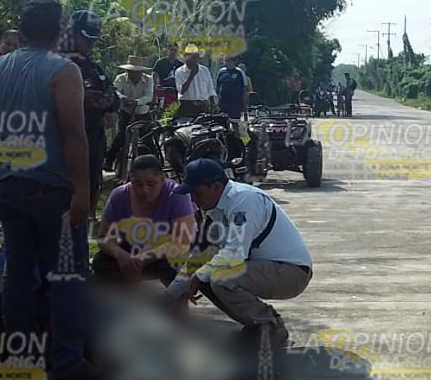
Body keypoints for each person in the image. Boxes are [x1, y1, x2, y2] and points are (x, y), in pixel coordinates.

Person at [0, 0, 101, 380]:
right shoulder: (63, 71)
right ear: (59, 31)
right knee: (66, 274)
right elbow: (74, 135)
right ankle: (66, 360)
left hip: (10, 187)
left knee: (17, 274)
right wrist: (82, 190)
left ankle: (22, 356)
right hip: (51, 189)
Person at [164, 158, 313, 348]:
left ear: (216, 187)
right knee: (206, 275)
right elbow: (199, 258)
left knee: (221, 278)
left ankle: (270, 327)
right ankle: (256, 326)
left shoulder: (244, 200)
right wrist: (170, 296)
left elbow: (235, 254)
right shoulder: (216, 211)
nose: (193, 200)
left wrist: (198, 276)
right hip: (267, 270)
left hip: (292, 272)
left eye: (197, 193)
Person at [92, 154, 197, 290]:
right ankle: (128, 288)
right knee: (100, 263)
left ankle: (175, 295)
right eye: (138, 184)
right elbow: (103, 238)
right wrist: (121, 255)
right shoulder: (118, 196)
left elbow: (183, 241)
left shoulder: (176, 194)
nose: (144, 190)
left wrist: (145, 258)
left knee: (177, 265)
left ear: (163, 179)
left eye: (151, 184)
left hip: (166, 251)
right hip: (132, 249)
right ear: (130, 180)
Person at [58, 10, 119, 226]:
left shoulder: (94, 68)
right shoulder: (59, 64)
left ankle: (88, 217)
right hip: (64, 140)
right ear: (72, 33)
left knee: (92, 179)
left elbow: (113, 94)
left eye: (94, 39)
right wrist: (83, 100)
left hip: (93, 137)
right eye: (86, 38)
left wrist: (110, 108)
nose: (90, 44)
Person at [104, 56, 154, 172]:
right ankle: (108, 161)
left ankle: (154, 163)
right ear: (127, 71)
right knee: (121, 136)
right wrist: (124, 98)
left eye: (137, 72)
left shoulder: (148, 80)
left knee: (147, 138)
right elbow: (115, 91)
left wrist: (136, 102)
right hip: (125, 112)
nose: (134, 74)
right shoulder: (120, 78)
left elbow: (149, 96)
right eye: (132, 71)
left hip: (142, 112)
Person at [174, 45, 216, 118]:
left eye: (197, 57)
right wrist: (191, 75)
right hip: (187, 105)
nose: (195, 59)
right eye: (193, 57)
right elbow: (181, 90)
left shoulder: (204, 70)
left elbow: (210, 89)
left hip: (203, 105)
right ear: (186, 57)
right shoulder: (179, 72)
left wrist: (212, 106)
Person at [216, 55, 249, 123]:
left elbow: (244, 88)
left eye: (229, 61)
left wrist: (244, 105)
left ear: (234, 62)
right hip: (223, 102)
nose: (226, 63)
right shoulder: (221, 72)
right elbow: (218, 86)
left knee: (235, 122)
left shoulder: (239, 72)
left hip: (235, 103)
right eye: (225, 61)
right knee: (222, 122)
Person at [152, 43, 182, 111]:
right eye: (171, 50)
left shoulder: (180, 65)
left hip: (175, 92)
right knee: (160, 110)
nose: (173, 52)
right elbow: (155, 76)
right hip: (162, 91)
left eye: (175, 50)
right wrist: (154, 89)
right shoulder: (160, 62)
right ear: (167, 50)